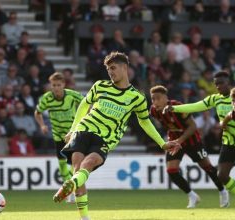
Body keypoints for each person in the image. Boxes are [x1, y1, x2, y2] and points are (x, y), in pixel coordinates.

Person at [53, 51, 181, 220]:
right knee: (78, 169)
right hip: (84, 130)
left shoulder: (137, 97)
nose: (110, 72)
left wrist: (161, 143)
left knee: (88, 164)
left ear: (124, 68)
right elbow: (84, 104)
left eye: (113, 68)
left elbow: (144, 122)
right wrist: (72, 129)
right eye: (108, 69)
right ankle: (84, 217)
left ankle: (70, 184)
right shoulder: (100, 86)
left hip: (106, 138)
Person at [163, 71, 235, 210]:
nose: (218, 86)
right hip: (229, 143)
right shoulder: (215, 99)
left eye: (221, 83)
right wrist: (175, 108)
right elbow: (196, 106)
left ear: (229, 82)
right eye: (216, 84)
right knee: (221, 175)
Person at [149, 85, 228, 208]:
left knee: (207, 167)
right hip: (174, 141)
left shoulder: (178, 106)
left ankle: (223, 191)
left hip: (192, 140)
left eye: (158, 98)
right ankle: (192, 196)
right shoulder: (154, 111)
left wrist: (180, 141)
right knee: (171, 171)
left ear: (166, 98)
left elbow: (193, 126)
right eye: (153, 99)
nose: (155, 102)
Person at [35, 72, 84, 203]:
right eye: (54, 85)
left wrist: (85, 119)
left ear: (63, 85)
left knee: (75, 164)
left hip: (73, 135)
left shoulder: (72, 95)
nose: (56, 88)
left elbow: (87, 103)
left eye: (58, 85)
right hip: (58, 135)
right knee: (62, 165)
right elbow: (37, 112)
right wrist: (42, 125)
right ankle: (68, 190)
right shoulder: (47, 98)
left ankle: (74, 190)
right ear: (51, 86)